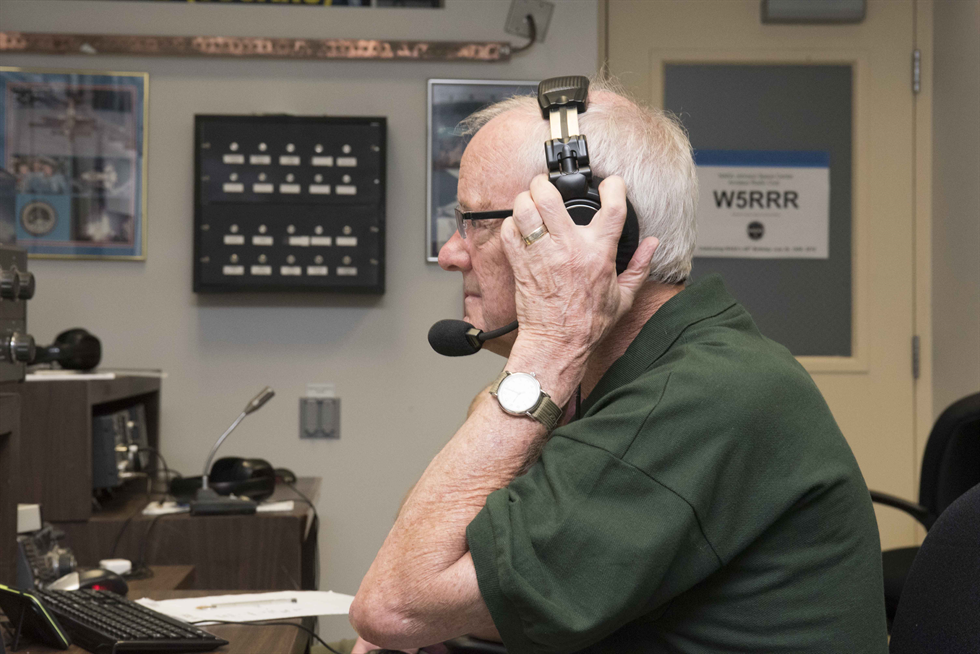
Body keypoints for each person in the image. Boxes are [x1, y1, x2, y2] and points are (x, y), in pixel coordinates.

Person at [347, 78, 888, 653]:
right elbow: (428, 574)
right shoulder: (616, 377)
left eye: (476, 222)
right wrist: (544, 364)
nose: (453, 253)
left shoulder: (702, 396)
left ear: (589, 232)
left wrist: (550, 344)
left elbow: (393, 609)